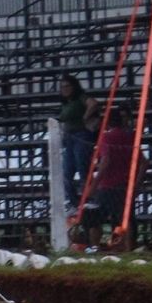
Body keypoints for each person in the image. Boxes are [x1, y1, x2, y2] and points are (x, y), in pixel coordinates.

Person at [79, 112, 137, 248]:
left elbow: (106, 161)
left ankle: (94, 247)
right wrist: (136, 183)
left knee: (94, 219)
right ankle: (129, 248)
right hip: (124, 184)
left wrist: (94, 184)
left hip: (107, 185)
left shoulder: (106, 138)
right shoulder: (129, 138)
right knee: (125, 218)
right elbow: (142, 162)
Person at [55, 74, 94, 199]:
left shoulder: (80, 98)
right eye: (62, 87)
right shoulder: (67, 103)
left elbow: (93, 103)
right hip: (70, 138)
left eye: (67, 86)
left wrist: (85, 117)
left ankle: (88, 198)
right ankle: (73, 201)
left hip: (80, 135)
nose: (65, 89)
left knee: (82, 167)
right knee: (67, 172)